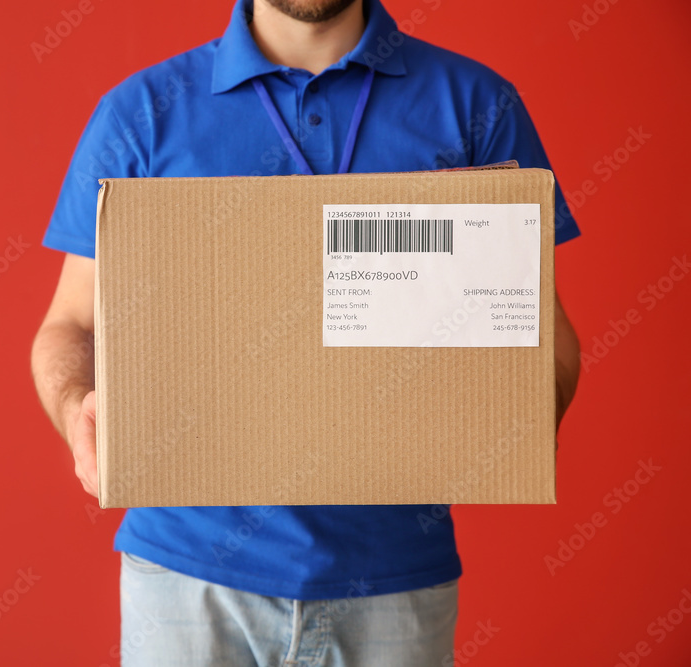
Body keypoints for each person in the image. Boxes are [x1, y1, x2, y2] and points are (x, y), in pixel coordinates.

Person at [31, 0, 581, 663]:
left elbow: (545, 333)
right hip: (187, 578)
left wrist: (517, 418)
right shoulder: (144, 112)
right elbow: (71, 325)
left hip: (394, 580)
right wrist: (75, 409)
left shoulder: (474, 104)